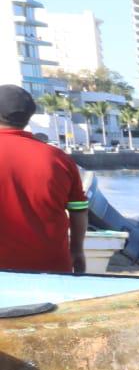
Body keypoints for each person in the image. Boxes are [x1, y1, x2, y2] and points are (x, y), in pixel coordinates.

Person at [0, 85, 88, 275]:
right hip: (51, 269)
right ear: (29, 115)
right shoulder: (59, 159)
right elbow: (78, 210)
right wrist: (77, 251)